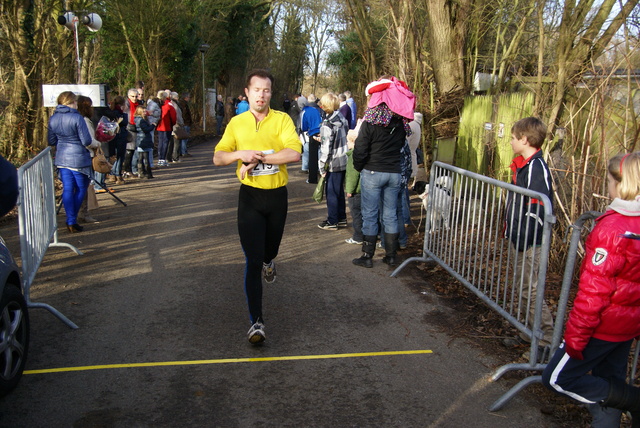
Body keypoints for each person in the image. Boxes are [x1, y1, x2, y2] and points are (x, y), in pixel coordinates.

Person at [542, 152, 640, 428]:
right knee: (611, 382)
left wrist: (576, 335)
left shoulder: (612, 229)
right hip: (627, 325)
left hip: (603, 325)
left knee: (556, 378)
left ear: (621, 184)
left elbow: (594, 292)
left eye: (609, 181)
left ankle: (634, 400)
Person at [213, 69, 301, 345]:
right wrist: (241, 154)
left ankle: (269, 260)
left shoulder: (282, 119)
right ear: (247, 92)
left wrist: (261, 158)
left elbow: (294, 153)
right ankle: (256, 322)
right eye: (257, 90)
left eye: (266, 90)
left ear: (271, 94)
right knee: (251, 260)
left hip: (277, 197)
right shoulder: (237, 123)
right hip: (249, 197)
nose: (261, 95)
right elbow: (218, 157)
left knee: (269, 250)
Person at [502, 117, 555, 349]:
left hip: (531, 241)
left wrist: (524, 237)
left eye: (513, 138)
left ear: (524, 139)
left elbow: (539, 206)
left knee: (531, 289)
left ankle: (546, 339)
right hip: (520, 238)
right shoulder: (523, 165)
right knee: (524, 288)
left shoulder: (536, 168)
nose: (511, 142)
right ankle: (529, 332)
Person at [352, 76, 415, 268]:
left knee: (370, 214)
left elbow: (360, 148)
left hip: (373, 172)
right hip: (394, 173)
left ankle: (367, 256)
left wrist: (358, 165)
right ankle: (391, 256)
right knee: (390, 215)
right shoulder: (401, 125)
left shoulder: (370, 123)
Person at [47, 91, 96, 233]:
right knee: (81, 188)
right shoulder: (77, 117)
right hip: (78, 157)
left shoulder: (53, 118)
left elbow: (51, 141)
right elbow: (86, 140)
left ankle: (71, 220)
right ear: (72, 102)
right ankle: (71, 220)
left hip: (62, 157)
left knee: (68, 188)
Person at [317, 92, 349, 230]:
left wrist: (321, 166)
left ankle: (333, 221)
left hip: (333, 161)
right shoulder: (341, 118)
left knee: (331, 192)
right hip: (343, 158)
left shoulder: (327, 124)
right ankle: (341, 217)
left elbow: (326, 148)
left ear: (324, 106)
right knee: (339, 191)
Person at [345, 127, 363, 245]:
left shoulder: (353, 156)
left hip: (356, 191)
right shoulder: (362, 154)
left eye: (347, 141)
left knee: (356, 214)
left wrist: (349, 190)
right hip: (363, 189)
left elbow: (352, 175)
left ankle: (358, 236)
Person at [300, 95, 322, 181]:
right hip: (322, 132)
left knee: (312, 156)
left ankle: (312, 179)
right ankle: (322, 173)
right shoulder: (317, 109)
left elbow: (303, 126)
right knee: (322, 154)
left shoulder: (304, 111)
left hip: (313, 133)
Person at [134, 105, 155, 179]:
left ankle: (141, 172)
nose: (145, 113)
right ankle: (147, 173)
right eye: (143, 111)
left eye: (145, 111)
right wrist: (152, 126)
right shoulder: (142, 120)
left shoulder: (136, 119)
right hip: (144, 139)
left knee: (140, 157)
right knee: (145, 157)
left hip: (140, 139)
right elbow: (146, 129)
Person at [156, 91, 176, 167]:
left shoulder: (159, 104)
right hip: (167, 126)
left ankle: (159, 159)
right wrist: (172, 124)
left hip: (159, 126)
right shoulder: (169, 104)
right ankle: (163, 159)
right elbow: (173, 116)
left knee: (160, 142)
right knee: (165, 142)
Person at [178, 92, 193, 157]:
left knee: (183, 138)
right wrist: (187, 121)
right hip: (185, 123)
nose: (189, 99)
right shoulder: (183, 104)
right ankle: (184, 151)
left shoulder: (181, 104)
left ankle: (182, 151)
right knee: (185, 138)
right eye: (189, 97)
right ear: (186, 97)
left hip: (184, 123)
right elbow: (185, 114)